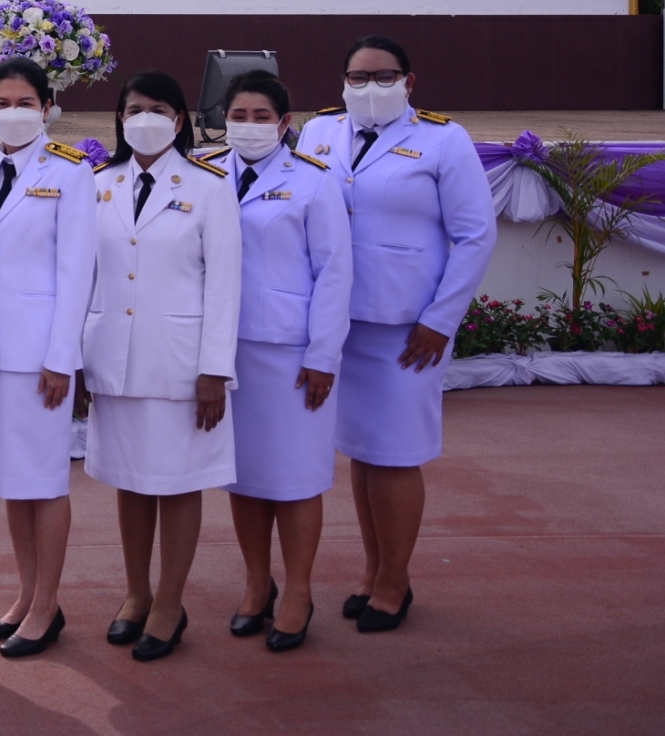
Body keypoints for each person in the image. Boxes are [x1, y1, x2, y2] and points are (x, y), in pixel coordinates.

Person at [296, 36, 496, 634]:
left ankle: (395, 581)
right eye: (358, 77)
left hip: (408, 328)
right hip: (340, 321)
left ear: (409, 82)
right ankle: (373, 569)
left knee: (397, 455)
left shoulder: (443, 139)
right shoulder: (319, 133)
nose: (369, 87)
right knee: (363, 452)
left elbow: (475, 235)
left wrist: (441, 319)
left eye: (384, 76)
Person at [80, 71, 239, 662]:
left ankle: (170, 602)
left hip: (180, 363)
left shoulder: (209, 187)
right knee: (129, 479)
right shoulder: (98, 184)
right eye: (133, 109)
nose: (144, 118)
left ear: (179, 120)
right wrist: (75, 358)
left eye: (157, 109)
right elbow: (83, 277)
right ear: (119, 119)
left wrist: (214, 369)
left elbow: (224, 286)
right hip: (113, 358)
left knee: (175, 482)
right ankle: (137, 593)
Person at [199, 71, 352, 653]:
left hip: (290, 355)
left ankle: (300, 591)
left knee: (295, 479)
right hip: (226, 351)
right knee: (244, 477)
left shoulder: (313, 180)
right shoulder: (205, 173)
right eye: (238, 115)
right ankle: (257, 583)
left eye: (262, 116)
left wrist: (324, 354)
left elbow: (334, 272)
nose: (249, 126)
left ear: (285, 123)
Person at [0, 56, 96, 660]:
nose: (13, 113)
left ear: (47, 108)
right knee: (13, 481)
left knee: (44, 479)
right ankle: (26, 594)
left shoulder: (70, 172)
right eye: (2, 103)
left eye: (25, 103)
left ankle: (47, 605)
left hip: (41, 355)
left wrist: (63, 357)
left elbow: (77, 271)